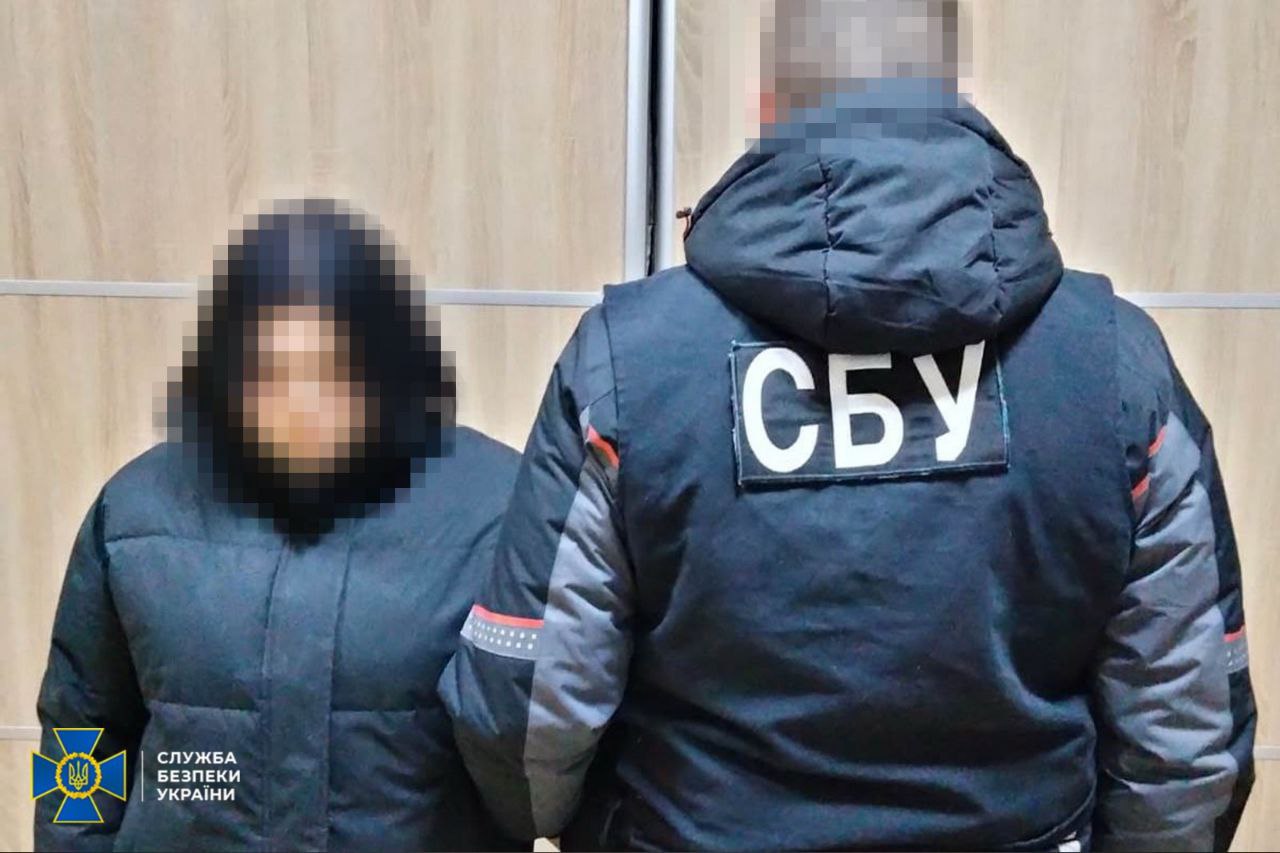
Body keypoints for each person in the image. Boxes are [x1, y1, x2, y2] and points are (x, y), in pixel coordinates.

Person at [440, 2, 1256, 850]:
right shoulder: (1114, 366)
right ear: (950, 92)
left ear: (769, 105)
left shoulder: (628, 364)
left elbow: (526, 725)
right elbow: (1183, 754)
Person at [34, 200, 520, 851]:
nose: (301, 405)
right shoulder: (137, 510)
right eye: (267, 373)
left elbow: (536, 760)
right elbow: (81, 729)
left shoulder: (493, 506)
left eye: (336, 370)